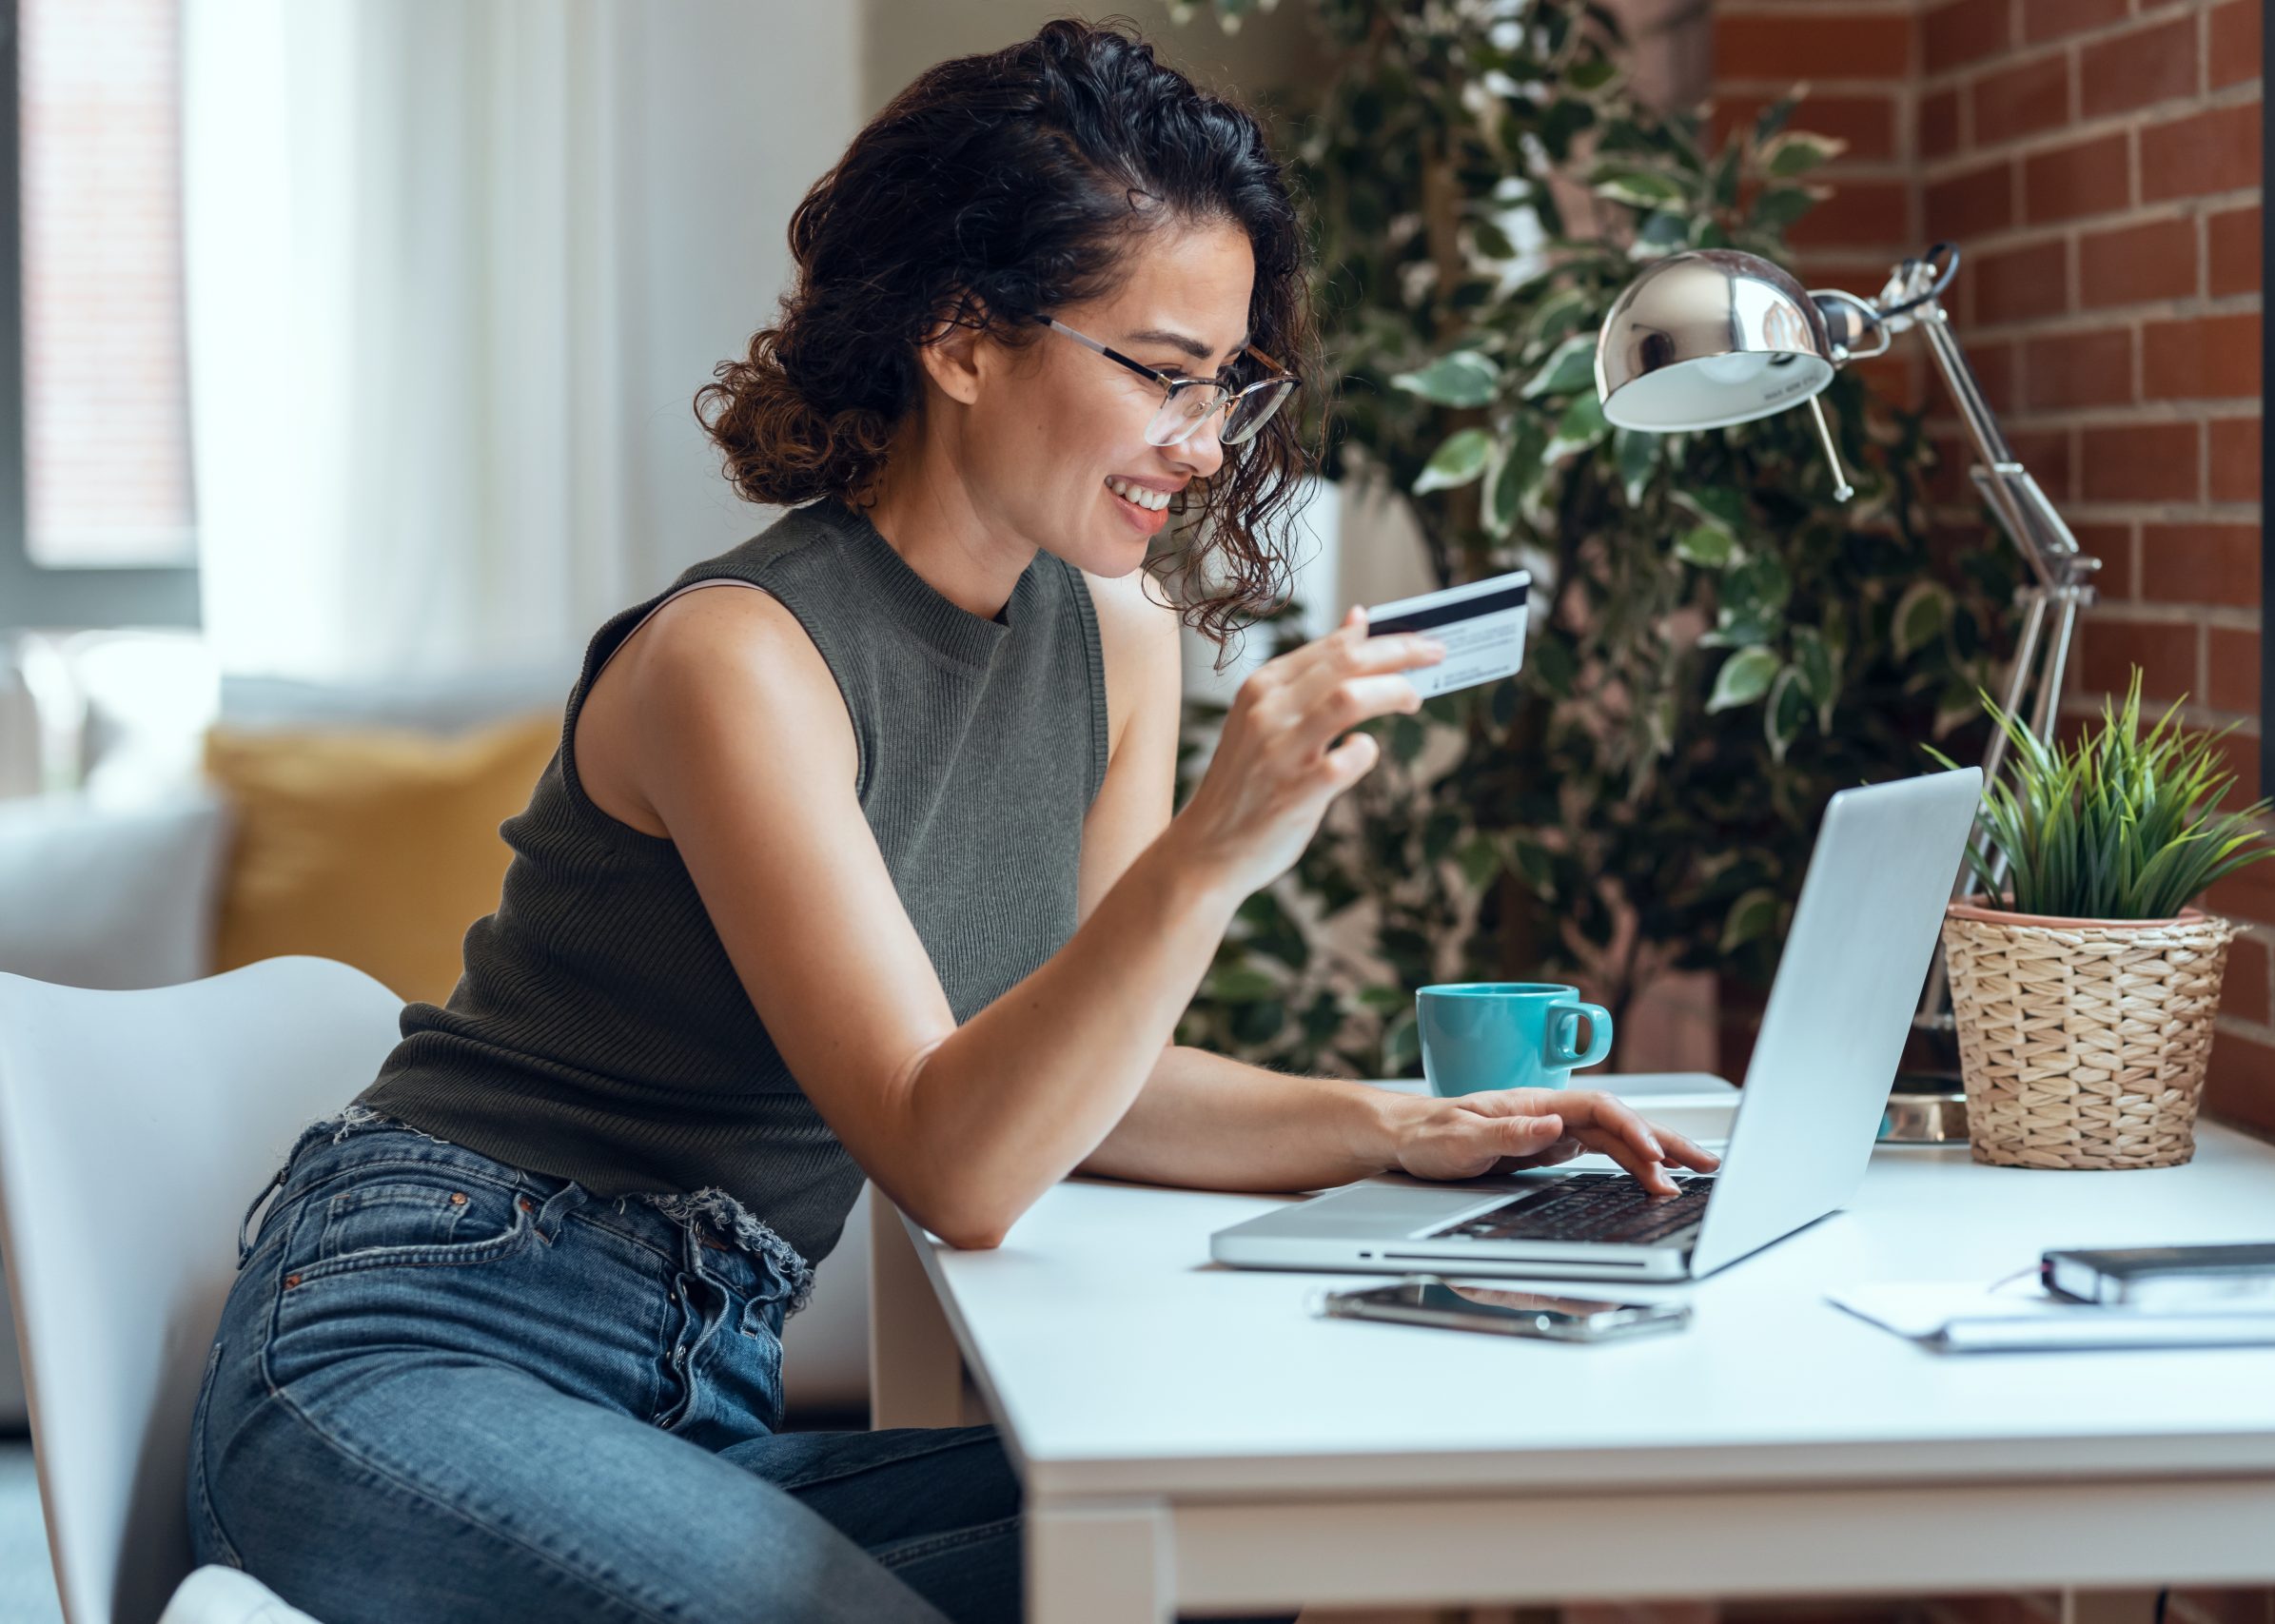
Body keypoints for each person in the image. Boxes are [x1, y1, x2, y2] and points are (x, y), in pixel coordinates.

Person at [186, 20, 1716, 1624]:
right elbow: (957, 1164)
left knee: (1242, 1533)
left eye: (1227, 385)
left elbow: (1073, 1084)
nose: (1202, 447)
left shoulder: (1113, 640)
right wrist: (1212, 852)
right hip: (406, 1352)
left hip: (686, 1404)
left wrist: (1410, 1126)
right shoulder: (738, 660)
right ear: (965, 338)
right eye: (1161, 373)